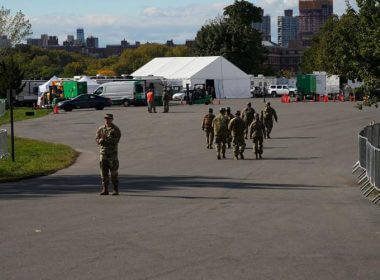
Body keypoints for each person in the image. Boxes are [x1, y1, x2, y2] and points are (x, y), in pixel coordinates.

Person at [96, 114, 122, 195]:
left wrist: (105, 139)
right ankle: (105, 189)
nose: (107, 120)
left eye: (109, 118)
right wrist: (101, 139)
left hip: (112, 154)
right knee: (103, 173)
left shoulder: (115, 129)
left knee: (113, 172)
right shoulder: (101, 129)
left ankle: (115, 189)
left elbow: (115, 141)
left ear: (112, 119)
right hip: (103, 153)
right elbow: (97, 140)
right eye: (106, 118)